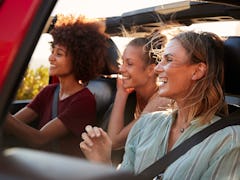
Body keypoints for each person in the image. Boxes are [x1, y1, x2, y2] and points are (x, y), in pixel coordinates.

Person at [80, 31, 240, 179]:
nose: (157, 68)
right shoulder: (144, 126)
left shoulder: (230, 141)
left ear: (198, 71)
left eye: (169, 60)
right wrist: (102, 163)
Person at [3, 14, 109, 157]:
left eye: (59, 54)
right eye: (52, 52)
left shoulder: (84, 100)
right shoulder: (50, 91)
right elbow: (15, 122)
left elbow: (38, 139)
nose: (51, 58)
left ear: (79, 58)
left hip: (60, 170)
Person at [106, 36, 171, 150]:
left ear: (151, 70)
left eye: (129, 64)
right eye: (122, 62)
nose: (121, 69)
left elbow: (114, 142)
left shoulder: (161, 100)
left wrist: (121, 94)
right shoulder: (135, 96)